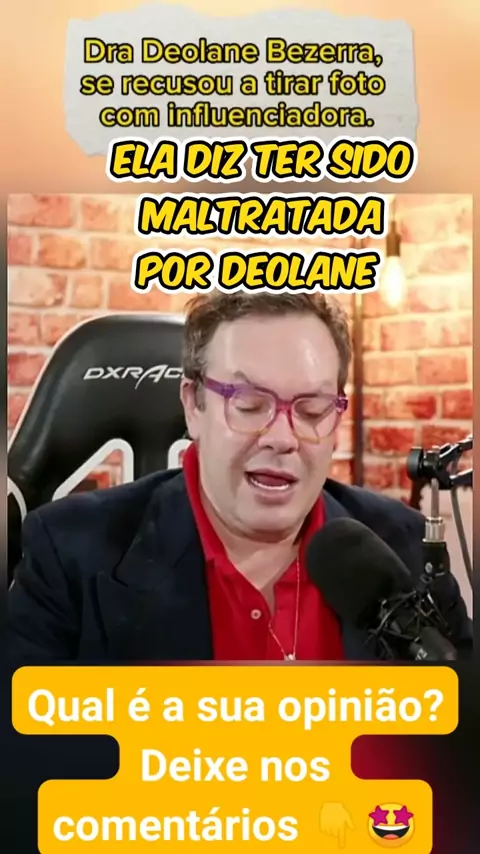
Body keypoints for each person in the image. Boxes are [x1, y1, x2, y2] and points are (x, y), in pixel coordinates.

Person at [8, 291, 472, 665]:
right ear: (193, 406)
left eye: (312, 410)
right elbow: (23, 742)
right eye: (249, 405)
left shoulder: (405, 548)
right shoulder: (69, 552)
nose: (282, 438)